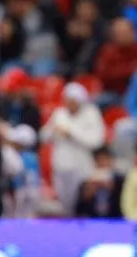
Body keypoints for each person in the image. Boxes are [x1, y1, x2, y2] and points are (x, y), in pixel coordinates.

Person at [40, 82, 105, 215]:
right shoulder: (59, 113)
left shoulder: (91, 114)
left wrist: (71, 133)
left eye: (72, 101)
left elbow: (96, 141)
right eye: (67, 101)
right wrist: (52, 130)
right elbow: (43, 136)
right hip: (61, 167)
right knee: (65, 208)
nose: (69, 104)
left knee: (83, 205)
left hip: (82, 168)